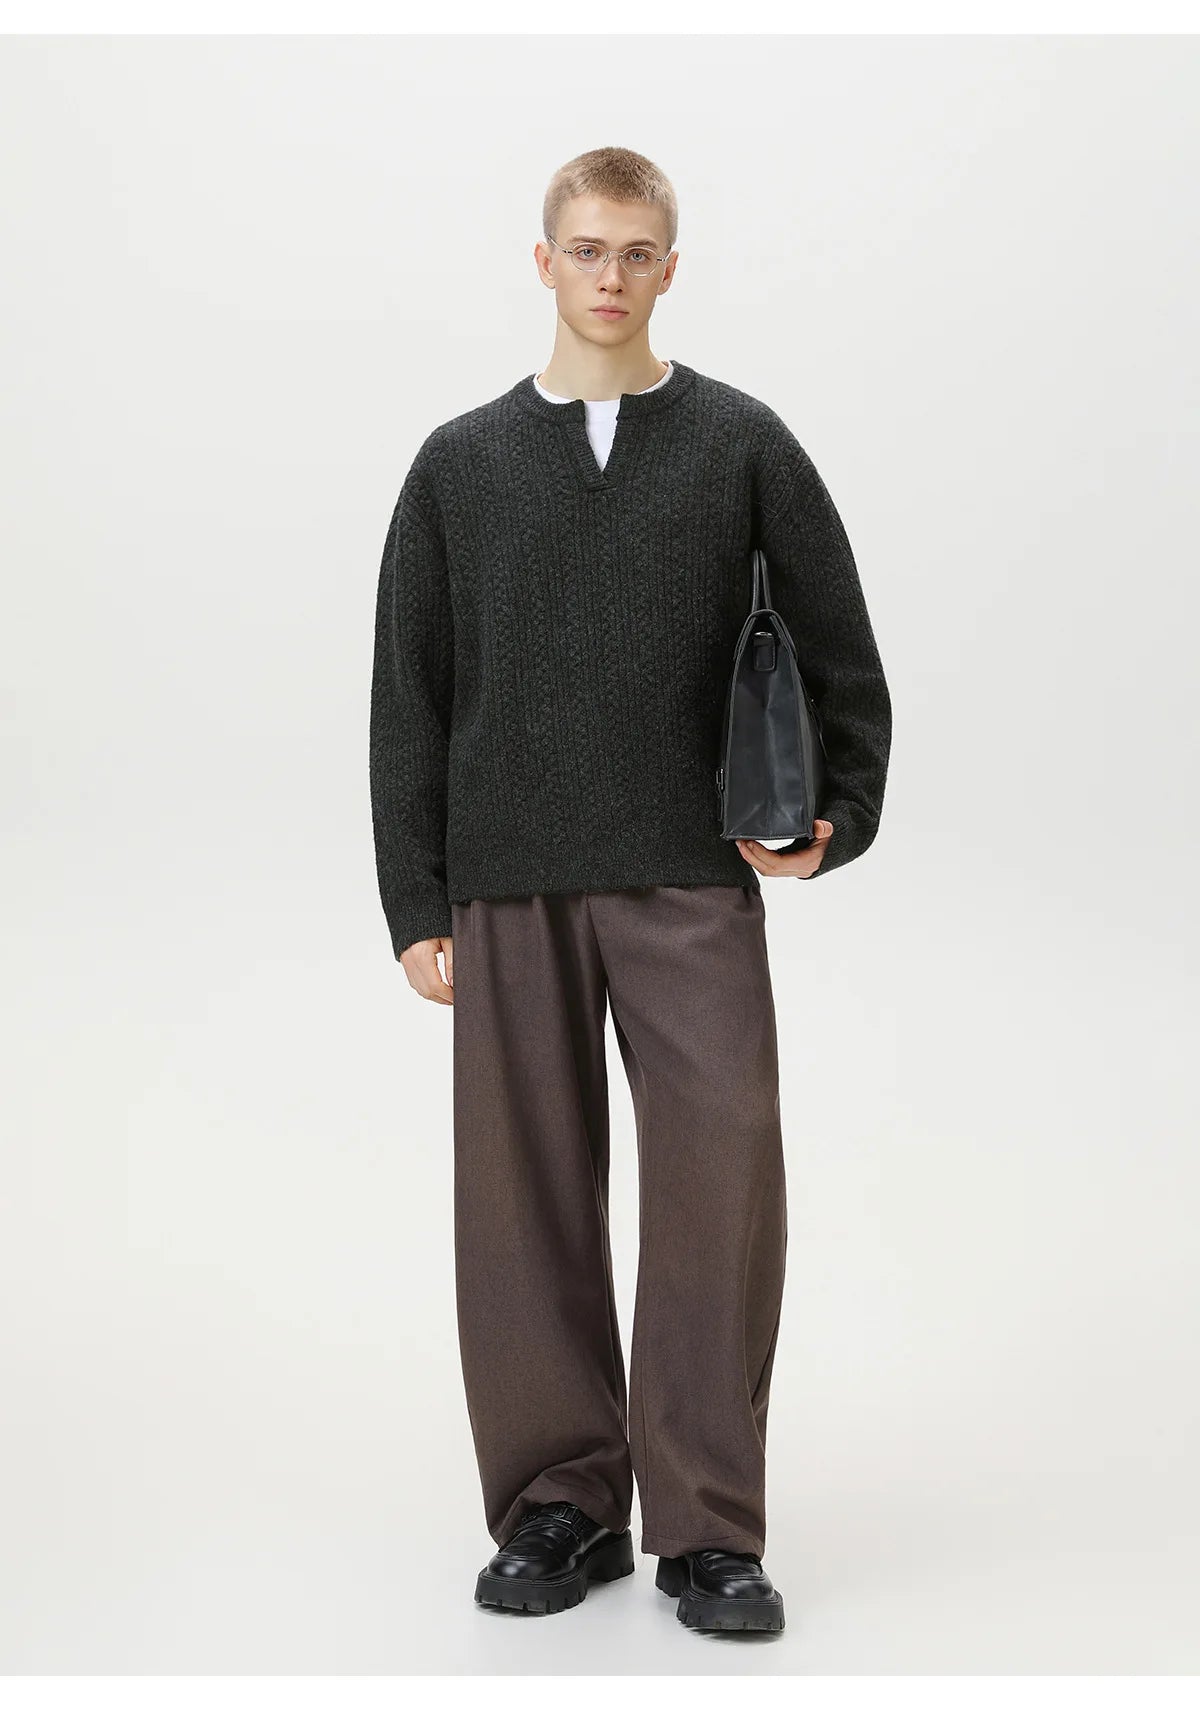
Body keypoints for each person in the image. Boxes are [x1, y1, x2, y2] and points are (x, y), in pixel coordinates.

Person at [369, 145, 892, 1634]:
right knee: (521, 1199)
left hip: (687, 874)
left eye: (637, 251)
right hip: (508, 879)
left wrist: (840, 812)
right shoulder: (459, 465)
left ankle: (709, 1525)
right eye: (587, 249)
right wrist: (417, 900)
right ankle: (561, 1500)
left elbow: (841, 646)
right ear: (544, 262)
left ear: (672, 266)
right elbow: (409, 693)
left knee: (724, 1178)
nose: (611, 276)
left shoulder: (742, 445)